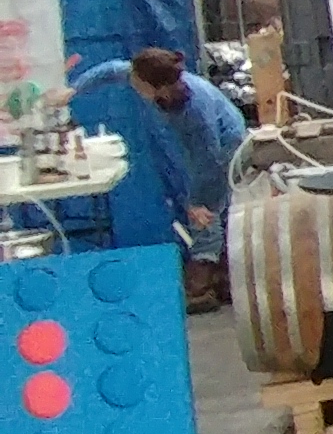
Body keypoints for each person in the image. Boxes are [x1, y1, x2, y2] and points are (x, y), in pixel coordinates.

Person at [72, 45, 249, 311]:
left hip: (227, 144)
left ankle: (203, 280)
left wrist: (200, 203)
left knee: (205, 214)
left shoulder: (195, 111)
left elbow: (210, 162)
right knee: (204, 207)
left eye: (137, 83)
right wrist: (73, 90)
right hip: (200, 148)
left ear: (160, 88)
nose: (132, 84)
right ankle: (223, 277)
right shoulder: (152, 81)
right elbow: (111, 70)